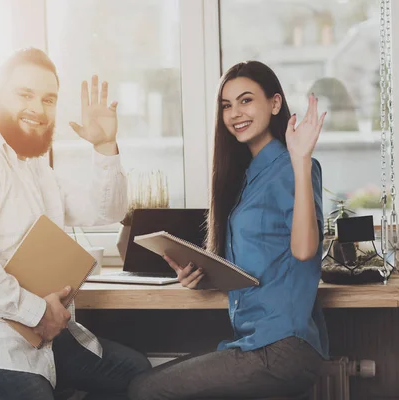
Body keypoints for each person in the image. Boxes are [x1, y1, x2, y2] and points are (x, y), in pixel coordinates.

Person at [0, 48, 151, 400]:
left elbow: (105, 210)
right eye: (24, 95)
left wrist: (105, 146)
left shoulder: (36, 170)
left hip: (42, 341)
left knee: (137, 376)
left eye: (48, 99)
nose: (38, 109)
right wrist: (36, 312)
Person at [128, 60, 329, 399]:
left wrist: (301, 160)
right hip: (255, 343)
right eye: (226, 105)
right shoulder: (247, 178)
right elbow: (259, 266)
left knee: (144, 391)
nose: (235, 112)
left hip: (281, 348)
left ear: (275, 104)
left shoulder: (292, 167)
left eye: (246, 100)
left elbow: (305, 250)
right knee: (142, 378)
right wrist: (203, 275)